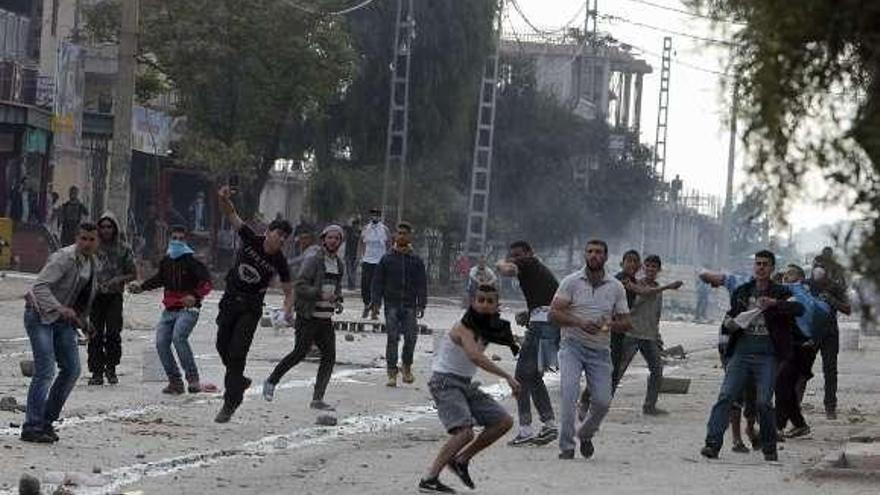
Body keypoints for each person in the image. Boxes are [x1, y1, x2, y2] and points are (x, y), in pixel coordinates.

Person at [701, 250, 803, 462]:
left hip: (768, 355)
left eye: (765, 264)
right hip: (742, 352)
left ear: (772, 268)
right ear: (753, 267)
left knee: (764, 402)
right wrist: (730, 327)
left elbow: (798, 308)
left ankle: (769, 447)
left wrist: (774, 304)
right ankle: (712, 444)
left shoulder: (781, 292)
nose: (761, 267)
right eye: (758, 264)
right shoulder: (742, 291)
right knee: (726, 396)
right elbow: (731, 318)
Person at [418, 284, 519, 493]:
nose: (484, 305)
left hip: (465, 384)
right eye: (480, 300)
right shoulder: (463, 326)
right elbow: (474, 356)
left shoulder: (489, 326)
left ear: (497, 305)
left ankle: (461, 460)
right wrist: (507, 376)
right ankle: (429, 479)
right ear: (472, 302)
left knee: (503, 422)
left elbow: (509, 337)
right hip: (445, 383)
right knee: (465, 433)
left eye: (489, 301)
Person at [213, 186, 293, 424]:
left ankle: (231, 401)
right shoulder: (250, 237)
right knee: (222, 346)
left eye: (285, 238)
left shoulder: (280, 261)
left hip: (250, 308)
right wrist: (222, 198)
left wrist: (287, 310)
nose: (280, 240)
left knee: (237, 353)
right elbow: (231, 215)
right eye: (278, 234)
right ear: (268, 232)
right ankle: (239, 380)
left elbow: (289, 291)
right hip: (230, 301)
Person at [550, 239, 632, 460]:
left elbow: (626, 322)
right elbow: (554, 313)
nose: (594, 255)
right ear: (585, 255)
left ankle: (585, 434)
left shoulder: (616, 287)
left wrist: (608, 325)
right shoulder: (571, 282)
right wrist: (579, 322)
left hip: (600, 350)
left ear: (606, 257)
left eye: (599, 252)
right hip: (572, 346)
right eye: (590, 252)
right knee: (569, 393)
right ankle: (566, 446)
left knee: (603, 401)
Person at [21, 222, 98, 443]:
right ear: (76, 238)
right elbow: (39, 287)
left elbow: (81, 297)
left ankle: (46, 422)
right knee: (45, 370)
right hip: (40, 316)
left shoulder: (92, 263)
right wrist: (59, 308)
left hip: (63, 322)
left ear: (96, 242)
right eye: (83, 238)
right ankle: (32, 426)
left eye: (91, 240)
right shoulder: (63, 258)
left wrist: (84, 321)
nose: (87, 243)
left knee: (72, 369)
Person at [262, 225, 344, 411]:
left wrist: (337, 300)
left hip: (325, 318)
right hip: (308, 316)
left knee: (329, 357)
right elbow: (299, 286)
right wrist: (320, 294)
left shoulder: (339, 264)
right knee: (299, 353)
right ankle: (271, 381)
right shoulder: (314, 260)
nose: (333, 241)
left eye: (337, 238)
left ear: (340, 242)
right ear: (324, 239)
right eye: (330, 237)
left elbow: (336, 287)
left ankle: (317, 398)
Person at [129, 225, 213, 394]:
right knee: (161, 343)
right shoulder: (166, 262)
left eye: (181, 239)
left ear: (186, 241)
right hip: (169, 310)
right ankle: (175, 382)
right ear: (169, 239)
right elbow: (159, 279)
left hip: (189, 310)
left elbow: (207, 284)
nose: (177, 242)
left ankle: (193, 380)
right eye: (174, 238)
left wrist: (195, 297)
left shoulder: (193, 262)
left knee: (179, 337)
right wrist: (141, 287)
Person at [495, 241, 560, 446]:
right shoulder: (537, 268)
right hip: (549, 324)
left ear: (530, 253)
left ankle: (525, 430)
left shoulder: (529, 264)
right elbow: (547, 299)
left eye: (519, 255)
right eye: (513, 255)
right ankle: (548, 424)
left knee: (521, 377)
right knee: (533, 376)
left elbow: (507, 270)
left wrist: (500, 263)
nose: (516, 259)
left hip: (542, 326)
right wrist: (529, 313)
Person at [613, 255, 682, 415]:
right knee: (617, 371)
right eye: (648, 266)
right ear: (643, 268)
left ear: (659, 270)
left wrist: (657, 335)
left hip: (649, 336)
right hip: (632, 333)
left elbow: (655, 314)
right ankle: (599, 402)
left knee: (657, 370)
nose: (651, 269)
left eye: (654, 267)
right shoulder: (635, 285)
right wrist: (669, 286)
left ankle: (649, 405)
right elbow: (645, 294)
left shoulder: (657, 290)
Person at [699, 269, 759, 453]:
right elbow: (705, 275)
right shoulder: (741, 281)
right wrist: (714, 279)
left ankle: (749, 429)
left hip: (758, 346)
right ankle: (735, 438)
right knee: (733, 391)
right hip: (732, 344)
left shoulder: (778, 291)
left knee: (754, 392)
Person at [775, 264, 831, 438]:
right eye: (784, 273)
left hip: (800, 346)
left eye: (789, 273)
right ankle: (799, 424)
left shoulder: (799, 292)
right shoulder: (796, 293)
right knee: (786, 387)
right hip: (791, 345)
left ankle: (778, 427)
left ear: (799, 277)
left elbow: (816, 312)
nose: (785, 276)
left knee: (782, 384)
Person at [369, 222, 427, 387]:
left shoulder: (416, 260)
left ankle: (406, 367)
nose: (401, 236)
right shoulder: (386, 259)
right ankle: (392, 372)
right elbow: (378, 282)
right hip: (391, 304)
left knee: (410, 338)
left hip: (409, 305)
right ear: (395, 236)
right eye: (399, 233)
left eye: (404, 233)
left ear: (410, 237)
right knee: (392, 338)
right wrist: (375, 303)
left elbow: (422, 284)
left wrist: (422, 304)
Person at [87, 212, 137, 386]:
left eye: (109, 227)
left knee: (113, 333)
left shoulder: (124, 249)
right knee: (94, 334)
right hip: (95, 297)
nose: (106, 230)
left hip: (114, 296)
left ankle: (111, 368)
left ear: (115, 228)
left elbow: (133, 273)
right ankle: (96, 371)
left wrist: (117, 280)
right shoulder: (92, 247)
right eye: (103, 226)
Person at [807, 264, 851, 420]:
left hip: (830, 334)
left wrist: (831, 299)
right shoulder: (806, 285)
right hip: (809, 334)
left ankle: (830, 406)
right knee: (801, 371)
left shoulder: (835, 288)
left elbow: (847, 309)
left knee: (830, 371)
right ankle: (794, 405)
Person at [359, 208, 391, 318]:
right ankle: (367, 304)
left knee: (377, 286)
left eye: (377, 215)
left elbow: (388, 245)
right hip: (367, 260)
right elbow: (362, 243)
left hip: (380, 261)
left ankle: (375, 309)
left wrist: (387, 259)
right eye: (373, 215)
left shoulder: (385, 229)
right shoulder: (365, 228)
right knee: (365, 285)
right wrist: (361, 257)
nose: (375, 217)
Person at [343, 218, 361, 290]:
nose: (355, 226)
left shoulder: (360, 232)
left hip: (356, 254)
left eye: (357, 225)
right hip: (348, 254)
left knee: (353, 270)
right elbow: (344, 226)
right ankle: (350, 285)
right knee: (349, 271)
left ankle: (352, 286)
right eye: (354, 225)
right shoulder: (349, 230)